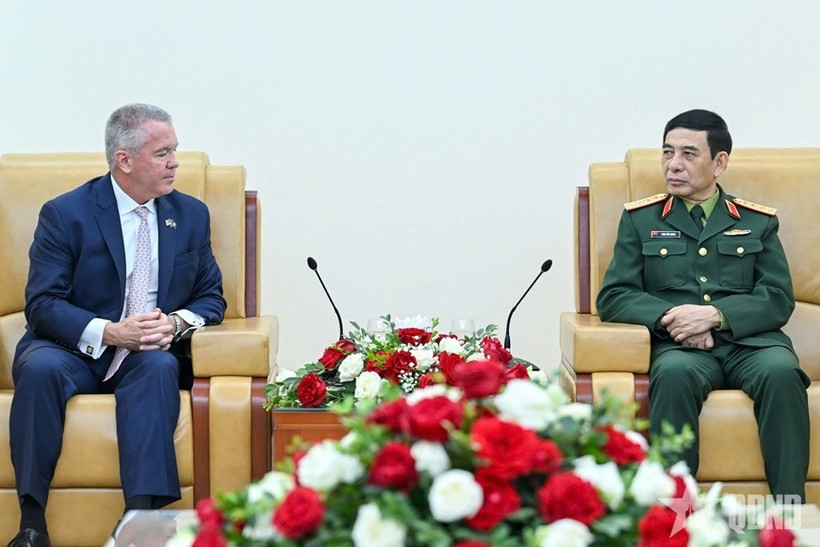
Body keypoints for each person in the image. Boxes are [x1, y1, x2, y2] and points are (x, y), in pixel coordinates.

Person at [7, 103, 227, 547]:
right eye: (162, 152)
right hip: (74, 347)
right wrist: (108, 332)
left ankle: (138, 525)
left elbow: (211, 298)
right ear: (124, 161)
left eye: (175, 150)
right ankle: (32, 524)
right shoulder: (66, 214)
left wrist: (176, 323)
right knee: (38, 369)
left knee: (160, 368)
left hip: (145, 352)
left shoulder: (190, 216)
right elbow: (42, 304)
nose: (175, 163)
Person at [596, 109, 810, 501]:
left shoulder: (756, 221)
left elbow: (778, 297)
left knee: (782, 372)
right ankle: (675, 514)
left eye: (688, 154)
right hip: (680, 347)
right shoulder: (640, 220)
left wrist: (716, 316)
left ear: (719, 163)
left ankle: (789, 511)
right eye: (667, 152)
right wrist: (672, 318)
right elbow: (614, 295)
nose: (673, 165)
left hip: (752, 345)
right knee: (673, 375)